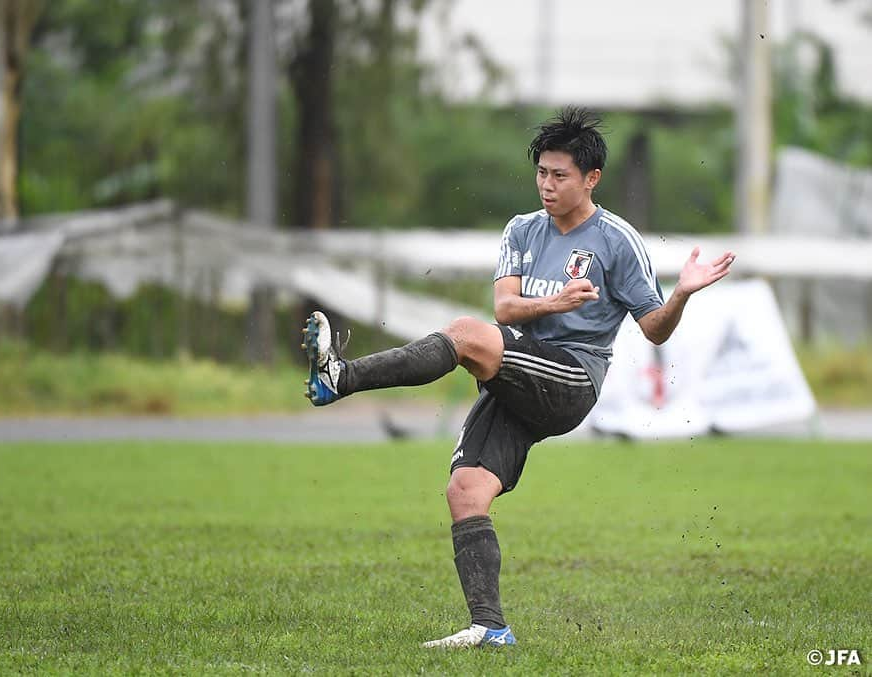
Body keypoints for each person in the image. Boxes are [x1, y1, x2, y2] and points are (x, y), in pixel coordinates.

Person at [301, 107, 736, 648]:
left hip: (572, 377)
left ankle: (340, 379)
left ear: (591, 179)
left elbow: (654, 331)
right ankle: (490, 627)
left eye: (560, 176)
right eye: (541, 173)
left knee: (465, 333)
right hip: (521, 368)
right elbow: (505, 308)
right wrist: (554, 300)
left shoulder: (617, 240)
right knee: (465, 491)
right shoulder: (523, 230)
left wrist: (680, 294)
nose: (547, 186)